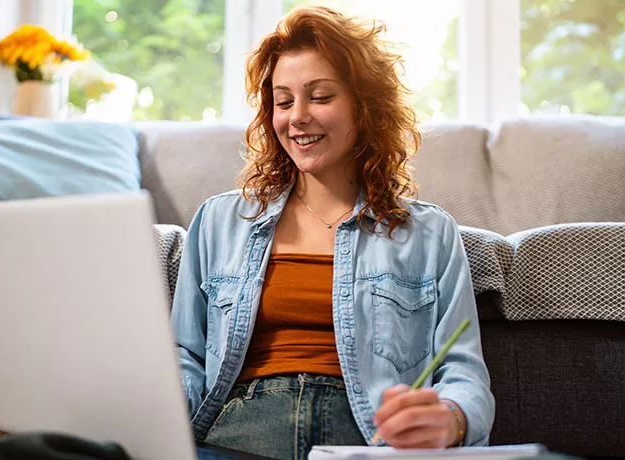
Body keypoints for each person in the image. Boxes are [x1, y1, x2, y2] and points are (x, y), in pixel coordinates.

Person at [170, 5, 494, 459]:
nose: (297, 116)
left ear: (366, 106)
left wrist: (452, 418)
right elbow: (184, 358)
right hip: (234, 438)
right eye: (283, 102)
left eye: (320, 97)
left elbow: (464, 373)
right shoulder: (218, 222)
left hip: (367, 441)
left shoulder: (430, 232)